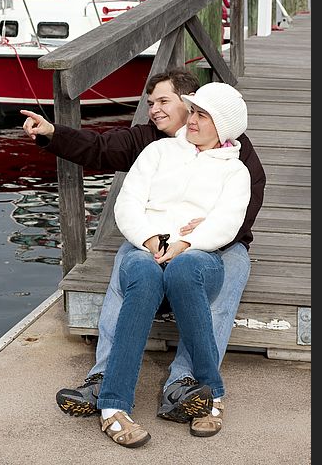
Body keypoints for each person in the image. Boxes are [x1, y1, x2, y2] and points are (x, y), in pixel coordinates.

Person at [21, 69, 266, 437]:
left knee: (223, 280)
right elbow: (100, 151)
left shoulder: (237, 155)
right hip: (152, 238)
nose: (154, 110)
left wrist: (199, 232)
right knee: (129, 270)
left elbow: (240, 212)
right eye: (150, 103)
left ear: (190, 103)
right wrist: (54, 133)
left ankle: (188, 384)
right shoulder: (152, 144)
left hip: (219, 243)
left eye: (163, 101)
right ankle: (103, 377)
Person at [94, 81, 251, 447]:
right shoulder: (158, 151)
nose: (190, 119)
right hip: (145, 248)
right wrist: (150, 238)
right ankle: (113, 406)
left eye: (202, 115)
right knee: (145, 274)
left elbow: (227, 222)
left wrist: (184, 243)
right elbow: (128, 202)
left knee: (185, 269)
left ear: (223, 125)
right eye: (192, 111)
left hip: (199, 257)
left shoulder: (235, 171)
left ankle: (209, 393)